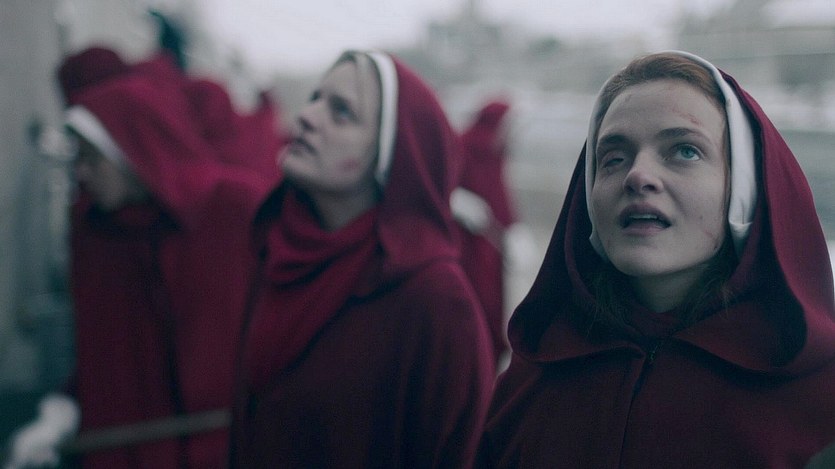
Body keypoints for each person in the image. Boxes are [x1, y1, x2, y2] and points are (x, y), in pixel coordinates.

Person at [477, 51, 835, 467]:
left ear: (745, 187)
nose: (638, 175)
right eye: (614, 158)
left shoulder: (817, 396)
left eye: (684, 151)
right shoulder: (530, 380)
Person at [5, 47, 279, 469]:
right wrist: (60, 413)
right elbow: (104, 358)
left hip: (230, 444)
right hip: (133, 452)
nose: (81, 174)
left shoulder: (234, 210)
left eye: (91, 158)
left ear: (129, 151)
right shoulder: (97, 234)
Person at [229, 50, 496, 468]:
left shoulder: (435, 299)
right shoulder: (278, 250)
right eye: (315, 99)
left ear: (392, 151)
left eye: (341, 112)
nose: (306, 117)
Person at [450, 99, 532, 366]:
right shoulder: (461, 147)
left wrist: (514, 230)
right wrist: (455, 200)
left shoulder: (496, 156)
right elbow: (437, 185)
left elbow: (500, 201)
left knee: (491, 308)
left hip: (489, 252)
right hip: (464, 249)